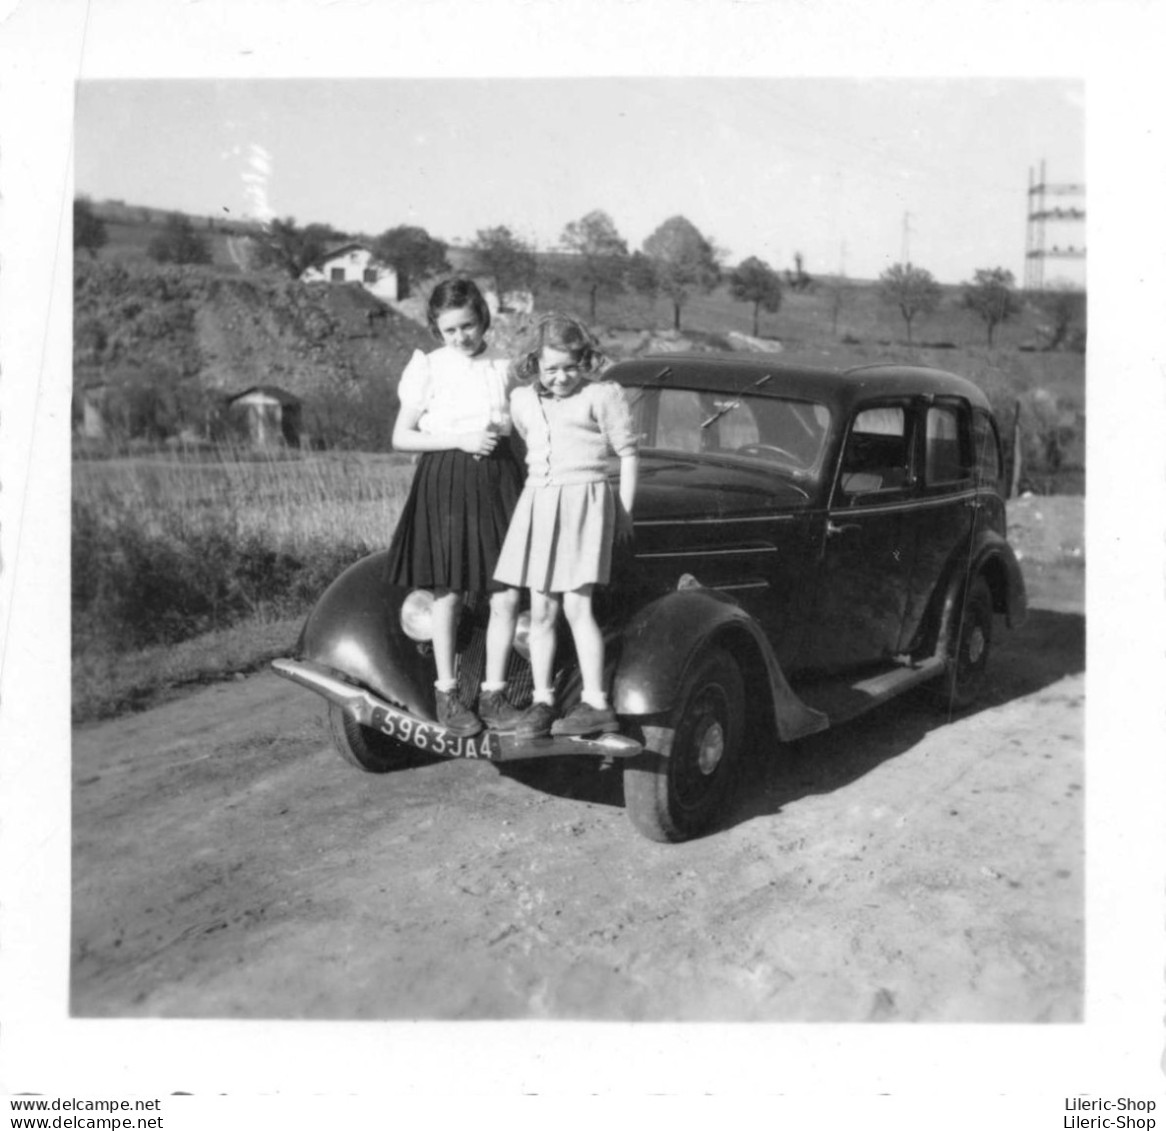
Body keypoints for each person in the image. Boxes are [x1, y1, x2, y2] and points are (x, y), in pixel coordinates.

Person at [384, 277, 524, 736]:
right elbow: (401, 436)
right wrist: (460, 440)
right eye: (450, 331)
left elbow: (522, 428)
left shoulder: (505, 366)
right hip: (446, 479)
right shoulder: (429, 367)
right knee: (449, 590)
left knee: (506, 591)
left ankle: (494, 694)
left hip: (501, 478)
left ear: (482, 318)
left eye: (467, 326)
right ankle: (447, 694)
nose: (461, 337)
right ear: (436, 331)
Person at [494, 314, 639, 739]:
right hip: (539, 506)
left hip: (584, 505)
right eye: (551, 368)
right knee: (540, 611)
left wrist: (624, 512)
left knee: (578, 607)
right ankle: (542, 701)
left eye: (571, 367)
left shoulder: (603, 395)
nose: (561, 378)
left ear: (585, 360)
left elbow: (628, 454)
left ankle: (596, 702)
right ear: (535, 362)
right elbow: (526, 444)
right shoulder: (521, 400)